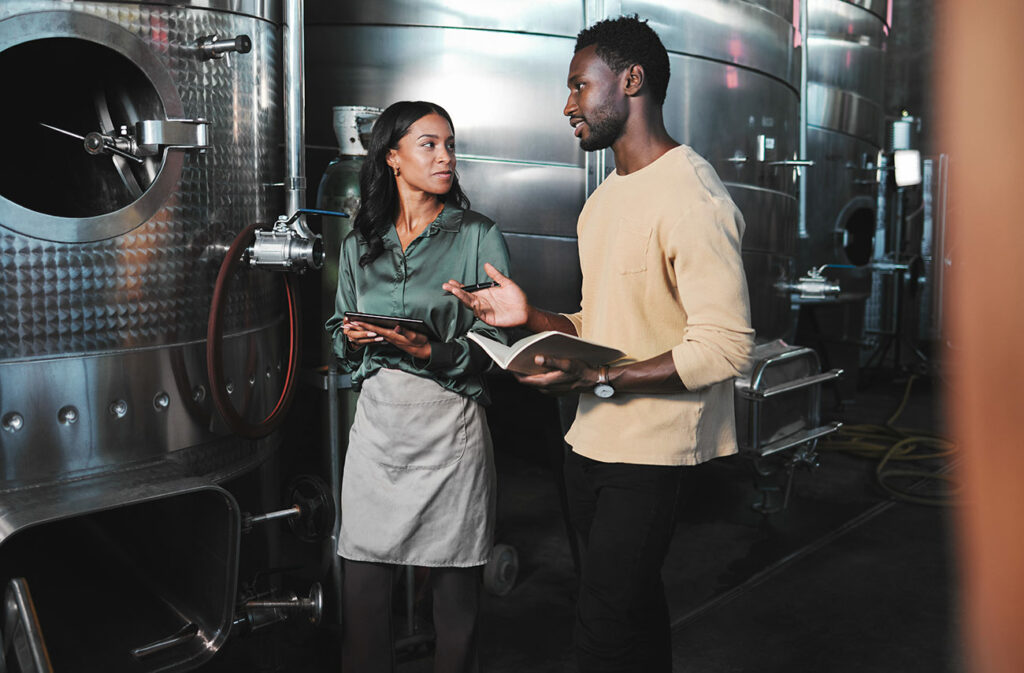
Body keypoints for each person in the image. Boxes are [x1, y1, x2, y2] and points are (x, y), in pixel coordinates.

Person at [443, 16, 754, 673]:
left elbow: (724, 346)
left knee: (599, 634)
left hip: (651, 452)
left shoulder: (694, 197)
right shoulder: (603, 202)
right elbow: (598, 325)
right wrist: (529, 317)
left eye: (580, 86)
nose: (568, 104)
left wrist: (607, 381)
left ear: (632, 80)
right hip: (588, 442)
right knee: (631, 613)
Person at [326, 100, 511, 673]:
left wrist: (431, 349)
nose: (445, 156)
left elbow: (501, 342)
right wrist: (354, 339)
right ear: (392, 157)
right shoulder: (362, 242)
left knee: (456, 603)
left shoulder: (477, 234)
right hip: (379, 428)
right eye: (428, 144)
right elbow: (335, 333)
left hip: (450, 428)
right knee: (362, 599)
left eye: (450, 143)